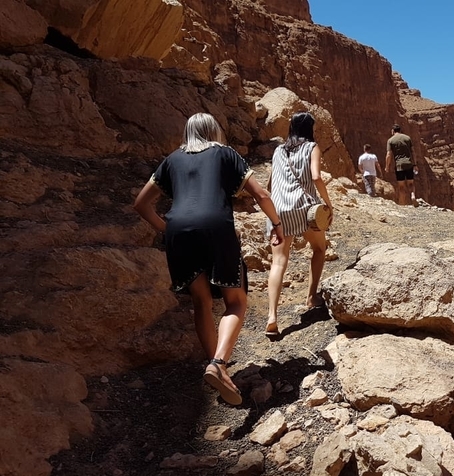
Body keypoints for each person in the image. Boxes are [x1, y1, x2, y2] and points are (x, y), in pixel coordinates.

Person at [133, 112, 285, 406]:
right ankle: (218, 363)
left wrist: (168, 229)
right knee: (236, 301)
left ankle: (219, 370)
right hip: (216, 227)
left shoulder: (172, 159)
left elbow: (141, 204)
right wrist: (277, 224)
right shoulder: (225, 153)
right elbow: (261, 194)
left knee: (202, 302)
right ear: (214, 131)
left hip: (179, 231)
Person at [266, 112, 334, 337]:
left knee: (278, 262)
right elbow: (316, 177)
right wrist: (327, 203)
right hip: (303, 209)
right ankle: (312, 297)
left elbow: (271, 182)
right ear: (310, 129)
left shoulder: (278, 151)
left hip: (278, 211)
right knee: (320, 249)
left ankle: (272, 317)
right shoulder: (312, 147)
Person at [385, 123, 415, 205]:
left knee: (401, 186)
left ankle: (402, 203)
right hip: (409, 164)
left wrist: (387, 166)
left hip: (399, 166)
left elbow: (388, 155)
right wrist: (415, 164)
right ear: (400, 130)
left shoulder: (390, 140)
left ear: (392, 131)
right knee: (411, 183)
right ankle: (412, 195)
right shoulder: (407, 138)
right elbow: (413, 152)